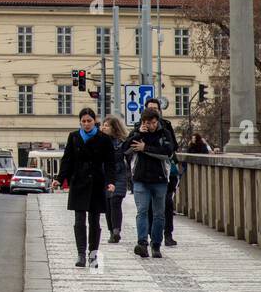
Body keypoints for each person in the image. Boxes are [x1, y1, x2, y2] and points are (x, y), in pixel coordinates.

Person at [51, 107, 116, 268]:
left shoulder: (103, 139)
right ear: (80, 122)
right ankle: (81, 254)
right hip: (78, 182)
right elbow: (67, 160)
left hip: (96, 182)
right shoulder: (74, 137)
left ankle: (93, 255)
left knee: (94, 221)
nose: (86, 124)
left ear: (95, 122)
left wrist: (111, 181)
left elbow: (110, 163)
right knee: (79, 220)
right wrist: (59, 179)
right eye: (84, 121)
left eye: (89, 121)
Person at [123, 106, 176, 258]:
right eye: (148, 123)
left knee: (159, 214)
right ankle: (142, 243)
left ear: (157, 121)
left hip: (159, 179)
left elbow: (167, 153)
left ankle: (156, 244)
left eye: (153, 122)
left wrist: (145, 148)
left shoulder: (164, 133)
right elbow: (126, 150)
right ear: (143, 122)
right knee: (142, 211)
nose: (151, 126)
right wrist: (138, 134)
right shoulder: (138, 133)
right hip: (141, 179)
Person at [147, 99, 180, 247]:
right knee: (148, 206)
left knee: (166, 203)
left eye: (155, 109)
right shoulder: (140, 127)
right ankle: (152, 233)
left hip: (166, 171)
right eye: (150, 109)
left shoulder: (166, 126)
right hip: (147, 173)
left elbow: (173, 146)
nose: (153, 112)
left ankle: (168, 234)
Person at [100, 116, 131, 243]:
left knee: (115, 201)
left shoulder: (122, 142)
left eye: (107, 125)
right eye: (103, 125)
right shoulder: (99, 141)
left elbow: (129, 158)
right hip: (105, 176)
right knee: (107, 205)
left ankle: (116, 230)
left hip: (119, 175)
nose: (104, 127)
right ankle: (112, 231)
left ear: (114, 128)